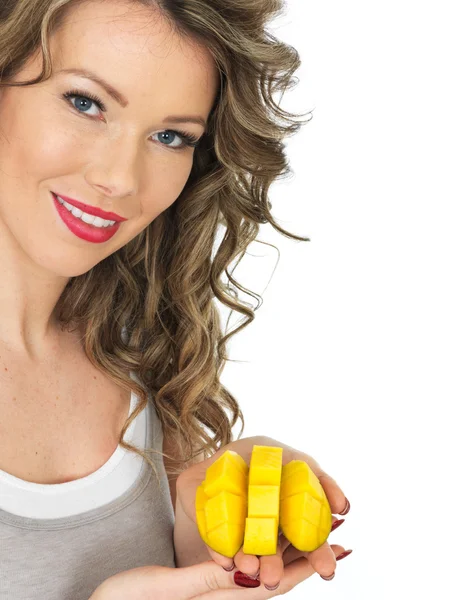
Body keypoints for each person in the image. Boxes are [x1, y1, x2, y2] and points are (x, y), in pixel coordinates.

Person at [0, 1, 352, 598]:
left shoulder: (141, 350)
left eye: (170, 136)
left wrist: (209, 516)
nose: (121, 179)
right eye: (86, 102)